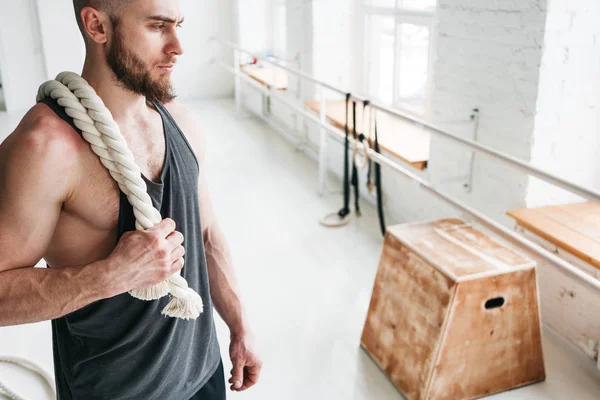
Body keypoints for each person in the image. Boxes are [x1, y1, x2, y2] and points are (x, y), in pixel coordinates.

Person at [0, 0, 262, 398]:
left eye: (179, 25)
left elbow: (206, 235)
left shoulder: (181, 122)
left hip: (204, 375)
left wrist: (241, 326)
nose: (178, 46)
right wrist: (110, 276)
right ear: (97, 26)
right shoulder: (45, 149)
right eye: (158, 27)